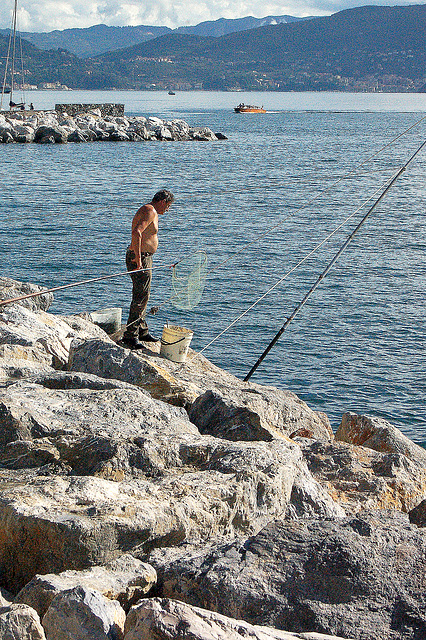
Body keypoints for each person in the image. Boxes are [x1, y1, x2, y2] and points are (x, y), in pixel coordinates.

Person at [120, 189, 175, 350]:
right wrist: (138, 259)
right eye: (168, 206)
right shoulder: (149, 210)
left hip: (145, 256)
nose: (168, 209)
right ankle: (130, 336)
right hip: (140, 257)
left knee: (144, 295)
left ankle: (142, 330)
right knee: (140, 296)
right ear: (163, 201)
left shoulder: (151, 211)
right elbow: (137, 233)